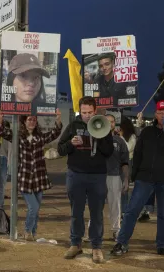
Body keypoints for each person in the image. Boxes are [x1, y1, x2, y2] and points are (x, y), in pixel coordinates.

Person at [111, 100, 164, 256]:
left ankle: (162, 245)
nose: (163, 116)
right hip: (145, 178)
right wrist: (133, 176)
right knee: (132, 211)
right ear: (155, 114)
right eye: (160, 113)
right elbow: (138, 154)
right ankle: (122, 243)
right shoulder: (147, 132)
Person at [58, 96, 114, 264]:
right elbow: (60, 149)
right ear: (79, 111)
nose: (87, 115)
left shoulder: (103, 126)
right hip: (76, 174)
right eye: (84, 112)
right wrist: (71, 144)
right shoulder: (74, 126)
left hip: (97, 176)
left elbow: (108, 152)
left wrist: (99, 136)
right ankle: (76, 243)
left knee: (97, 213)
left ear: (95, 111)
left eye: (90, 112)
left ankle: (96, 247)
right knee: (76, 212)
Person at [0, 106, 62, 240]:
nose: (32, 122)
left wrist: (58, 119)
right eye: (29, 119)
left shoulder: (40, 137)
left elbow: (54, 133)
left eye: (34, 120)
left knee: (36, 209)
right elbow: (3, 132)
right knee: (34, 207)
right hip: (25, 177)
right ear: (24, 121)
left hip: (39, 177)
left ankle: (33, 233)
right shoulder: (18, 136)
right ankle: (26, 231)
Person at [105, 114, 129, 240]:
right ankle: (93, 230)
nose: (110, 124)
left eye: (112, 122)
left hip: (115, 176)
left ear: (115, 124)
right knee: (95, 205)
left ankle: (116, 230)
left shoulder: (120, 141)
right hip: (98, 176)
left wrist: (125, 179)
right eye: (107, 121)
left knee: (115, 205)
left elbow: (125, 162)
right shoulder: (95, 137)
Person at [119, 117, 136, 216]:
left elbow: (128, 148)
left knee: (124, 186)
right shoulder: (120, 136)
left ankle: (124, 209)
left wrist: (121, 138)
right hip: (118, 162)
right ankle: (121, 209)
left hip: (128, 161)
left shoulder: (132, 136)